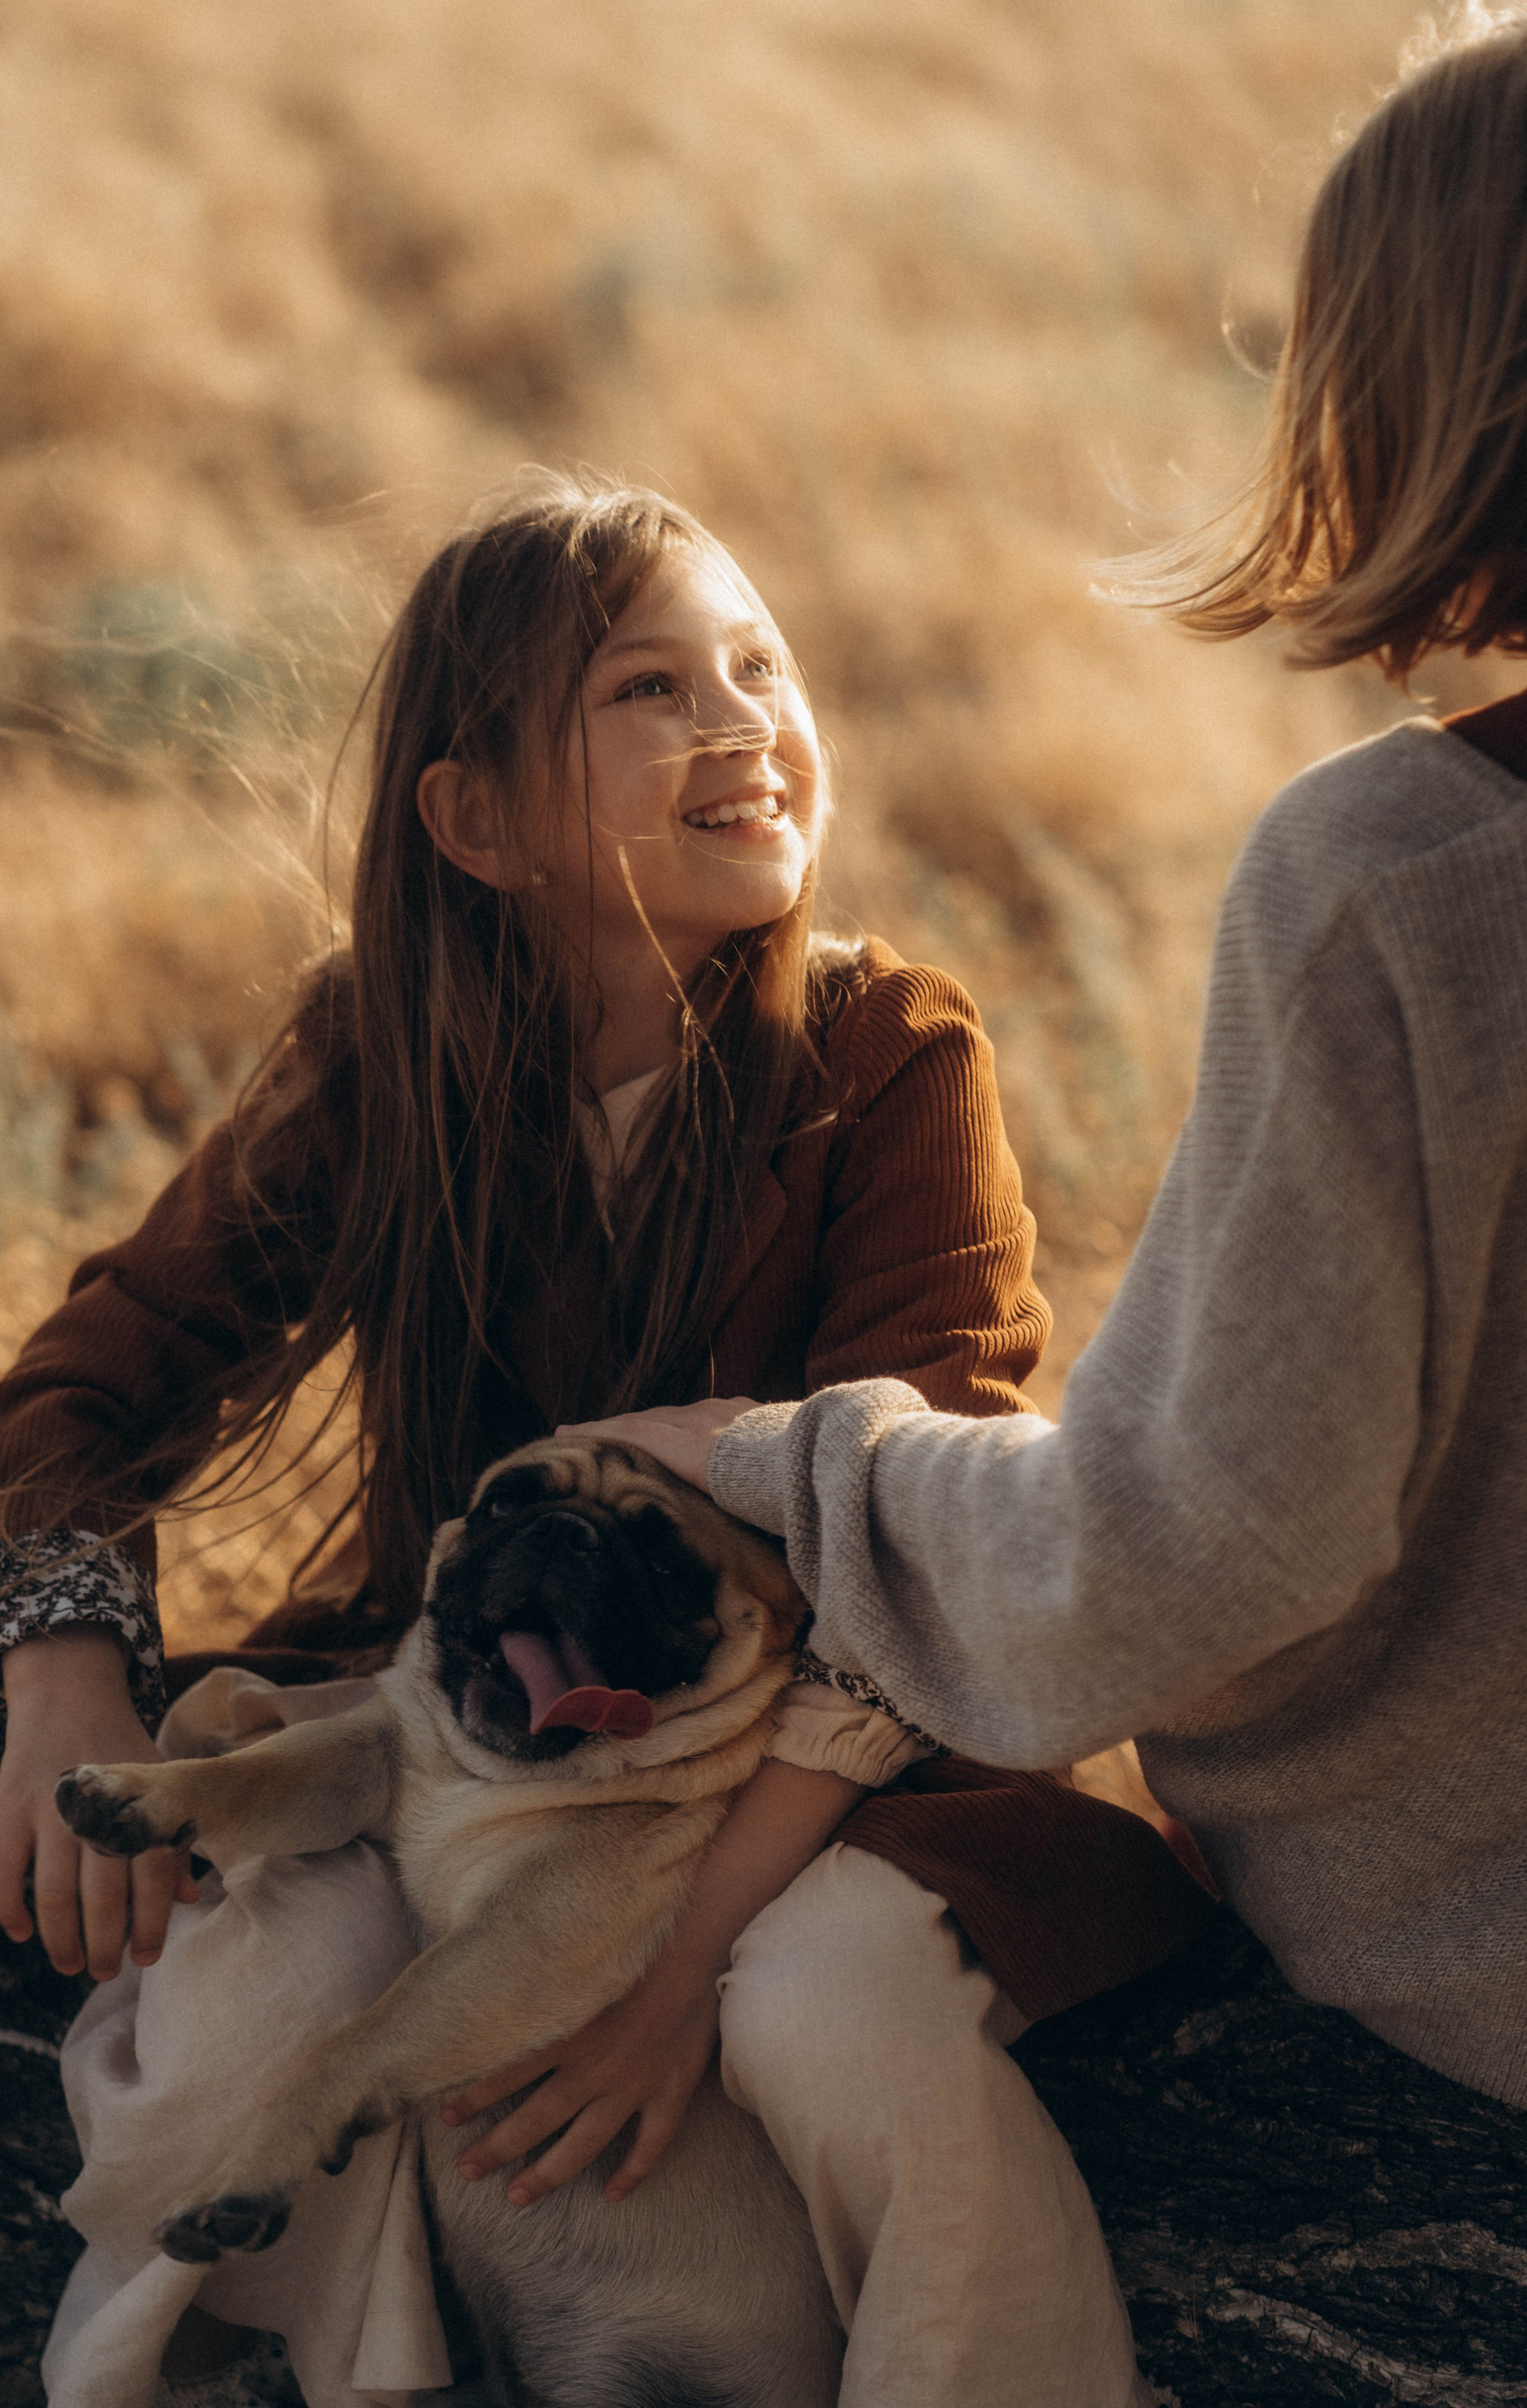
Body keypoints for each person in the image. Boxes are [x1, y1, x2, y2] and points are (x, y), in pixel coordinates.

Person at [0, 478, 1202, 2407]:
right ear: (481, 822)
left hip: (835, 1771)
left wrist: (680, 1967)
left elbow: (928, 1515)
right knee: (262, 1988)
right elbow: (81, 1390)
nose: (742, 720)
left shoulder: (887, 1054)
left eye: (761, 665)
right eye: (651, 688)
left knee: (832, 2007)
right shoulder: (388, 1054)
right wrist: (56, 1675)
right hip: (457, 1732)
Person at [579, 19, 1527, 2121]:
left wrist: (786, 1461)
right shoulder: (376, 1074)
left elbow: (1206, 1550)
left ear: (1433, 392)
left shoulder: (1404, 880)